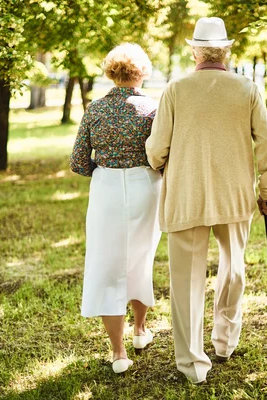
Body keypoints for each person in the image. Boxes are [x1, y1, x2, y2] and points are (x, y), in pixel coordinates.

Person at [145, 17, 267, 384]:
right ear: (226, 50)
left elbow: (157, 149)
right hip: (233, 196)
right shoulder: (247, 89)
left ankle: (192, 365)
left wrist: (156, 161)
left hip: (187, 194)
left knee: (186, 281)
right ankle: (224, 342)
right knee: (233, 269)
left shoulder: (175, 89)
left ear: (194, 51)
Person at [69, 43, 161, 374]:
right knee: (140, 257)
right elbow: (162, 155)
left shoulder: (94, 110)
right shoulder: (152, 109)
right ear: (142, 72)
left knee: (108, 264)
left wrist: (105, 171)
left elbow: (78, 161)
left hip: (106, 190)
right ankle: (139, 331)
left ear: (111, 71)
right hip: (145, 188)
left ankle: (118, 352)